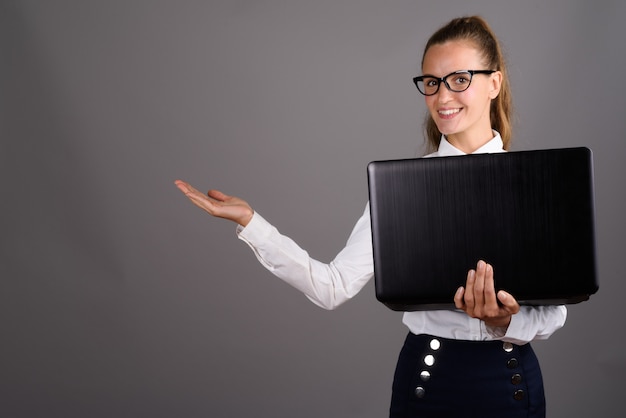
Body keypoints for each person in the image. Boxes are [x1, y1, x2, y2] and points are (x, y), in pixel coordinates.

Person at [175, 15, 566, 418]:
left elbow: (557, 309)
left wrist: (503, 324)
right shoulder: (401, 189)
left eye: (459, 79)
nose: (443, 96)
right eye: (431, 82)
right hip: (427, 387)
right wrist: (250, 223)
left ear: (494, 84)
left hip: (511, 385)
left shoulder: (533, 182)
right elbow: (332, 286)